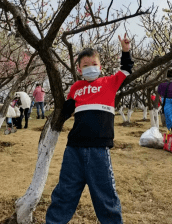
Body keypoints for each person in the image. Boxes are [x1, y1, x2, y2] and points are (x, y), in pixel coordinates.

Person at [46, 33, 134, 224]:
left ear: (100, 67)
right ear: (79, 70)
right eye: (85, 66)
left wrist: (125, 50)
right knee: (64, 192)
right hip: (74, 149)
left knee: (105, 195)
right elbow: (67, 108)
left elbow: (126, 70)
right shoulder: (76, 87)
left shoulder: (110, 82)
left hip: (99, 150)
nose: (90, 68)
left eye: (94, 64)